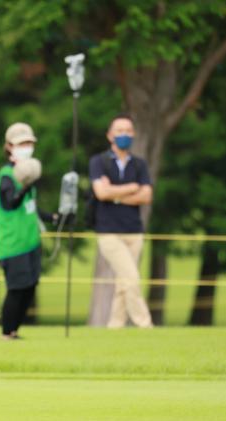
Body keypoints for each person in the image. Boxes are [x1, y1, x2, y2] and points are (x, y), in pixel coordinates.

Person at [89, 114, 153, 328]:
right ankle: (144, 323)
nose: (124, 134)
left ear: (133, 134)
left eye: (128, 131)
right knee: (131, 277)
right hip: (109, 231)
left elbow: (146, 195)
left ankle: (115, 325)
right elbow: (101, 193)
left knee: (124, 282)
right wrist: (132, 188)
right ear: (110, 135)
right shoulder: (99, 162)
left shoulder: (139, 164)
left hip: (134, 231)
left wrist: (114, 193)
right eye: (119, 131)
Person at [0, 122, 49, 340]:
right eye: (21, 144)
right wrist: (24, 185)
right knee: (16, 289)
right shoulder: (7, 175)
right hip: (13, 244)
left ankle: (15, 331)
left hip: (30, 241)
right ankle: (6, 333)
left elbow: (30, 208)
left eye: (29, 143)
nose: (26, 147)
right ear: (9, 147)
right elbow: (11, 203)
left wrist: (53, 217)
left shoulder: (28, 176)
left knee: (29, 288)